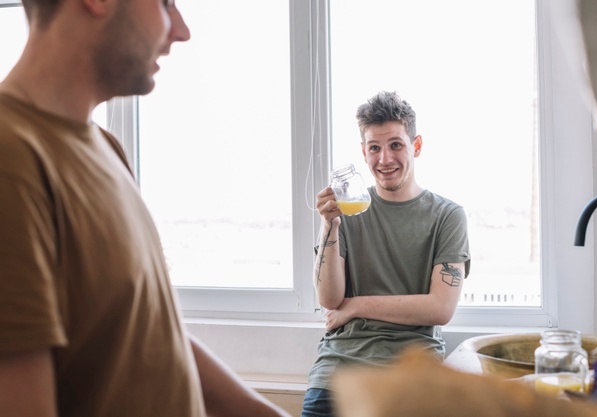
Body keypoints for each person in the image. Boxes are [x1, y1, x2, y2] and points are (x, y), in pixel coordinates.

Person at [0, 1, 290, 416]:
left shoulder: (105, 147)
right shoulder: (11, 162)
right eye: (165, 2)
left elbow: (146, 332)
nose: (182, 30)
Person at [301, 91, 471, 417]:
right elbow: (330, 299)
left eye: (395, 145)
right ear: (363, 153)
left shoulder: (447, 215)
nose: (385, 159)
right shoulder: (348, 212)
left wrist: (356, 306)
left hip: (412, 372)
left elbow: (440, 308)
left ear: (416, 146)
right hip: (338, 372)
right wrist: (330, 226)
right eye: (374, 148)